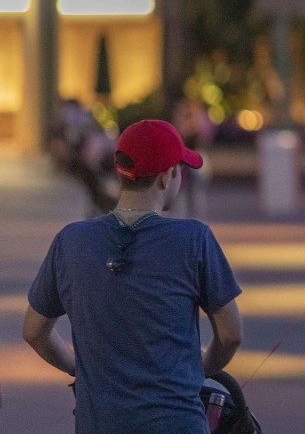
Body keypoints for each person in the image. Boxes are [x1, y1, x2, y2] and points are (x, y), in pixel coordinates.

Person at [23, 119, 243, 434]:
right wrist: (202, 368)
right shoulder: (194, 239)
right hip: (178, 423)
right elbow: (231, 334)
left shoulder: (70, 241)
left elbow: (34, 331)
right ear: (168, 177)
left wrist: (77, 367)